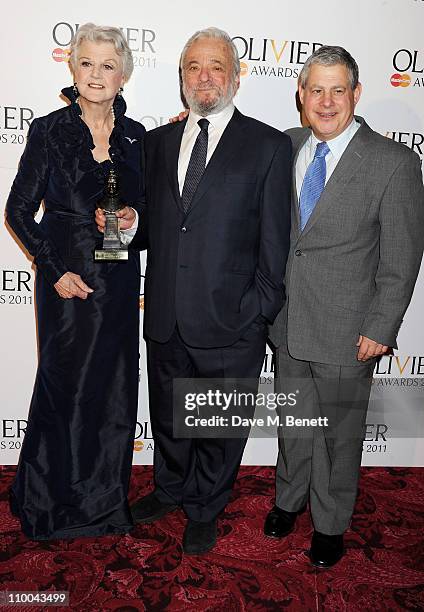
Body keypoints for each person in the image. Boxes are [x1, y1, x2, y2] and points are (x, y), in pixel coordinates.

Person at [97, 26, 292, 555]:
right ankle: (170, 488)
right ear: (182, 76)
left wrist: (258, 310)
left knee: (219, 425)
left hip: (233, 321)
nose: (204, 77)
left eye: (216, 66)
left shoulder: (269, 145)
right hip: (164, 316)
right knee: (168, 416)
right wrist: (129, 223)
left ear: (235, 75)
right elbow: (155, 227)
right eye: (193, 68)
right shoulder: (158, 142)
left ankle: (206, 506)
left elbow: (277, 241)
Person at [266, 45, 424, 568]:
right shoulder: (283, 147)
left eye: (339, 90)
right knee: (294, 425)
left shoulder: (394, 162)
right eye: (316, 90)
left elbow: (402, 257)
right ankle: (288, 500)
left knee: (339, 435)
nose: (327, 101)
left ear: (357, 94)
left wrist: (381, 325)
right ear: (301, 96)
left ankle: (331, 523)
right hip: (288, 323)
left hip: (349, 330)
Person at [6, 23, 145, 540]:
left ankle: (103, 504)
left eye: (107, 65)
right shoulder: (49, 129)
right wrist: (53, 269)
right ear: (72, 67)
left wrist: (133, 218)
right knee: (63, 389)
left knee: (112, 392)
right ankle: (50, 504)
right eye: (87, 62)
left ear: (123, 74)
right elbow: (18, 211)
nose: (96, 74)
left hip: (119, 280)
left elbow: (148, 212)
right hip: (66, 281)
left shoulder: (136, 138)